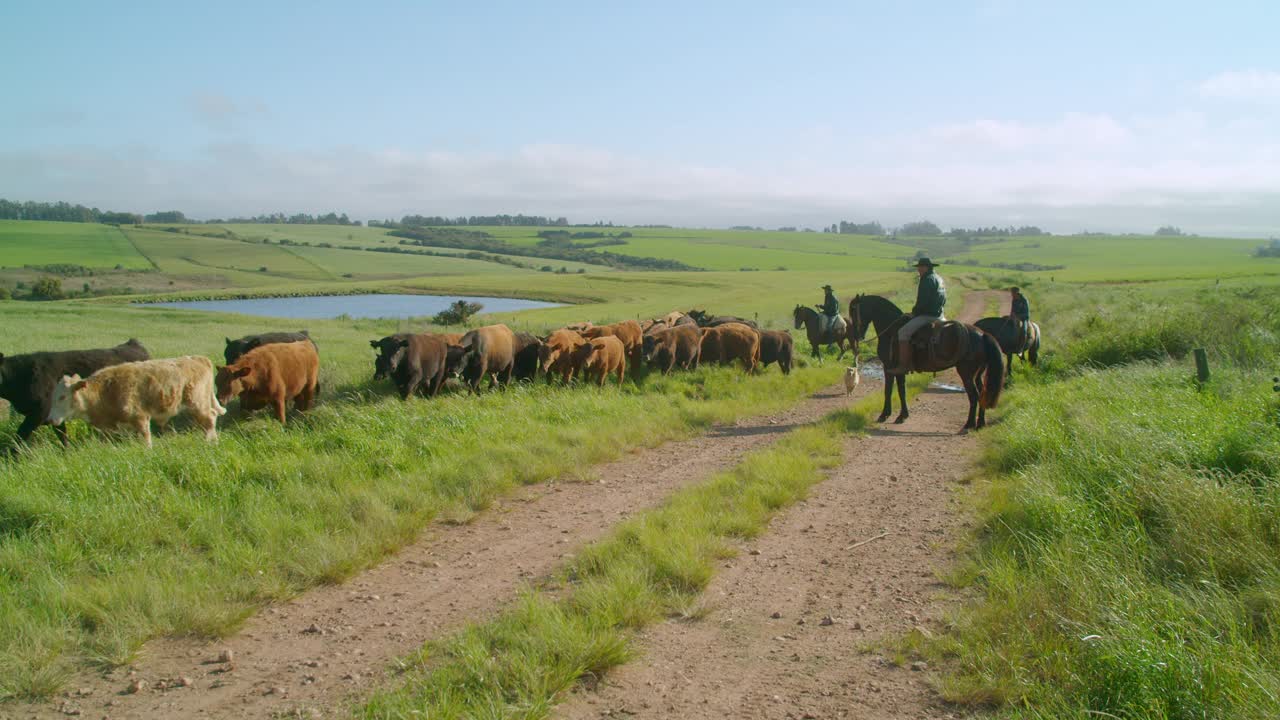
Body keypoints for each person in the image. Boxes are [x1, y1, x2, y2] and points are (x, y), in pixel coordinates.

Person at [889, 258, 946, 373]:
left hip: (928, 316)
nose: (918, 270)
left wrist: (914, 313)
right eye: (918, 267)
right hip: (941, 315)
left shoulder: (927, 279)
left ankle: (903, 365)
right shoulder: (939, 278)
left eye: (921, 267)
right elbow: (944, 299)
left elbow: (922, 301)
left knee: (903, 333)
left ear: (927, 267)